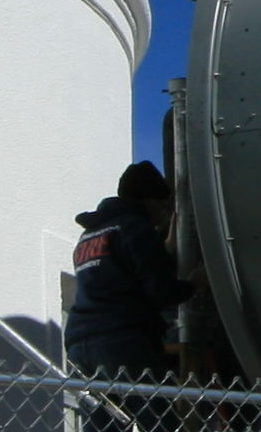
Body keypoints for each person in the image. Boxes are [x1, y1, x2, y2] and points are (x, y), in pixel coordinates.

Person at [66, 162, 187, 378]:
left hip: (79, 346)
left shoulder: (89, 235)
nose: (163, 215)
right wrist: (195, 283)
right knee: (152, 401)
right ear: (149, 200)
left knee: (105, 404)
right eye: (162, 207)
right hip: (122, 343)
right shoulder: (136, 227)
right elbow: (161, 291)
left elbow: (117, 275)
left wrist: (162, 253)